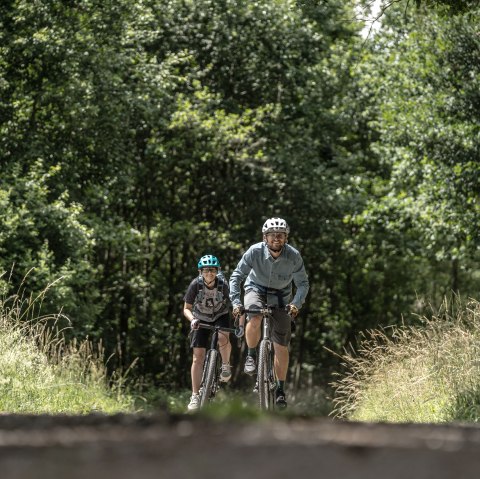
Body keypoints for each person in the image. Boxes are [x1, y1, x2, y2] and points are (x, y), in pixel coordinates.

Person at [229, 217, 309, 408]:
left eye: (280, 235)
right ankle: (251, 355)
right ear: (265, 237)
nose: (276, 238)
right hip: (255, 290)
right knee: (254, 316)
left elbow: (303, 284)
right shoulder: (254, 251)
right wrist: (236, 302)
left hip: (281, 297)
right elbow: (236, 276)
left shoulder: (294, 256)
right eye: (272, 235)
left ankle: (280, 389)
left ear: (286, 238)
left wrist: (296, 304)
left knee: (281, 346)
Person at [183, 254, 244, 411]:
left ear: (217, 271)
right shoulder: (195, 285)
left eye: (212, 270)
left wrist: (240, 326)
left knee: (223, 337)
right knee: (198, 357)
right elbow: (186, 309)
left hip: (220, 315)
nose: (209, 273)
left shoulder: (223, 284)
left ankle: (225, 365)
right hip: (200, 318)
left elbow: (237, 308)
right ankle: (195, 395)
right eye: (206, 270)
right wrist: (192, 320)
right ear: (200, 271)